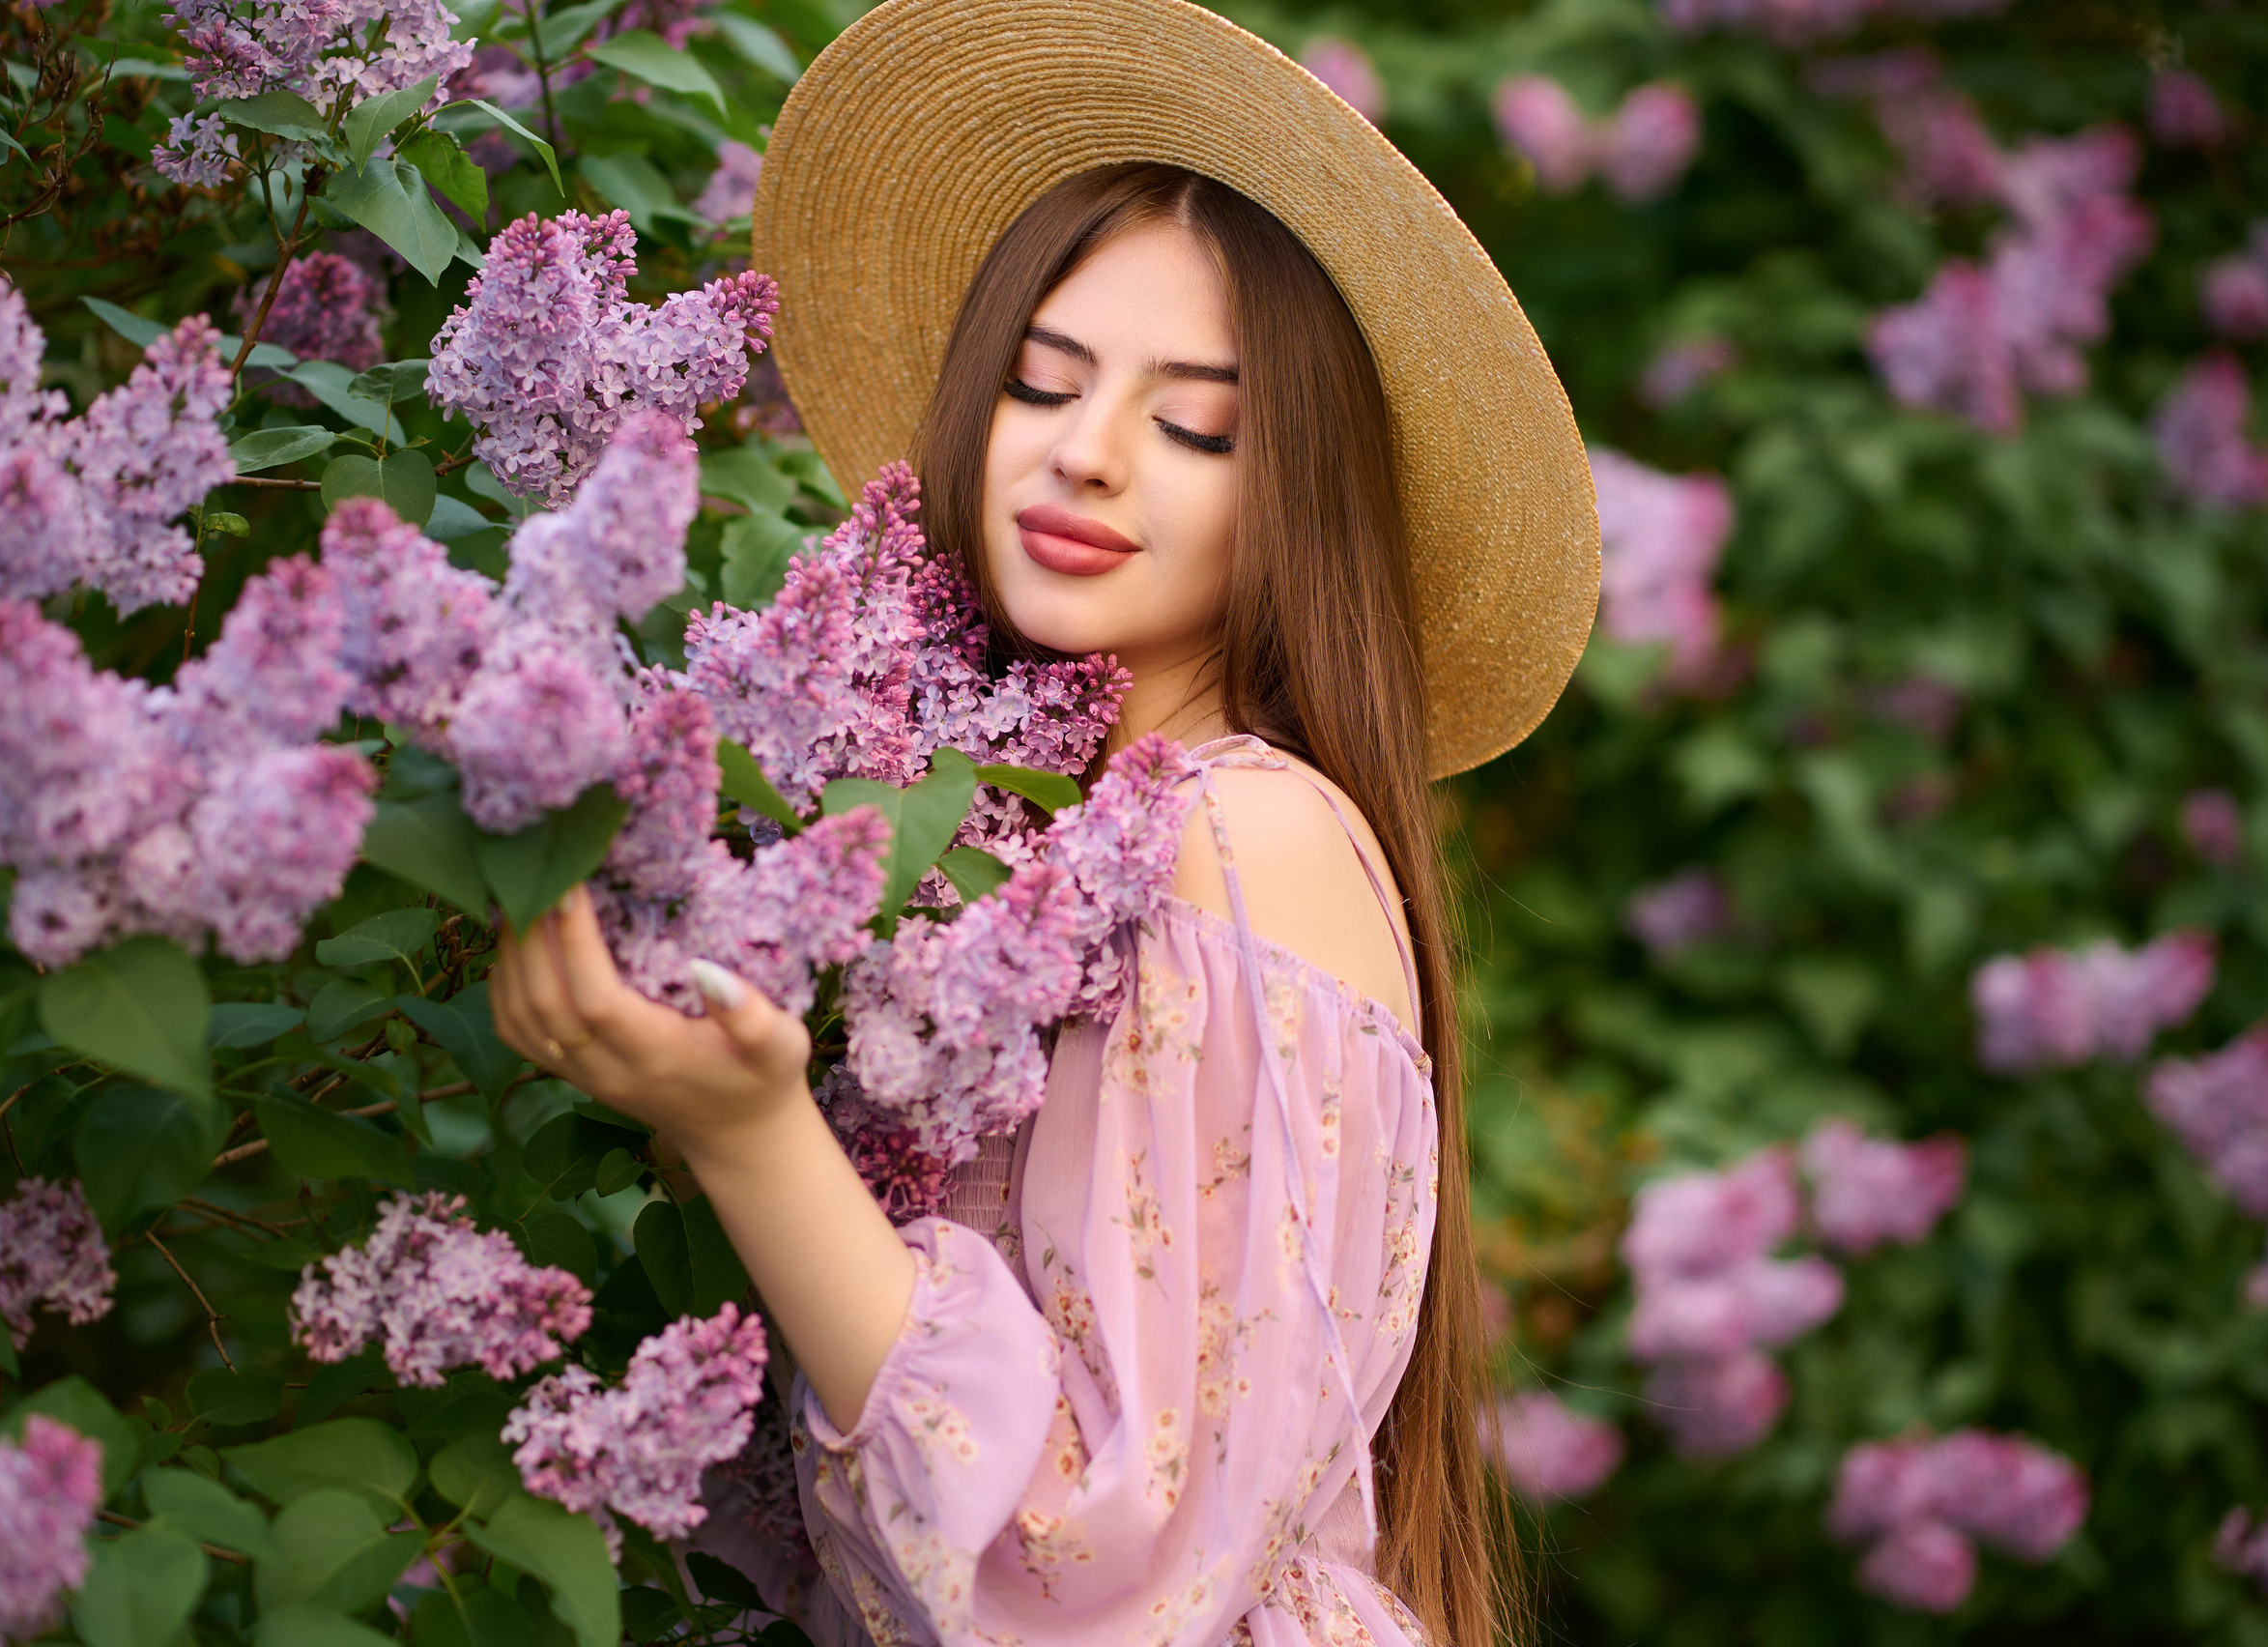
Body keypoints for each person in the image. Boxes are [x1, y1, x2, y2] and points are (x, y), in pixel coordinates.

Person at [487, 2, 1600, 1642]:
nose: (1084, 457)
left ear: (1296, 490)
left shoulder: (1244, 839)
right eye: (1040, 382)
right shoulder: (995, 831)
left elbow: (1088, 1563)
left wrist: (752, 1134)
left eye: (1193, 424)